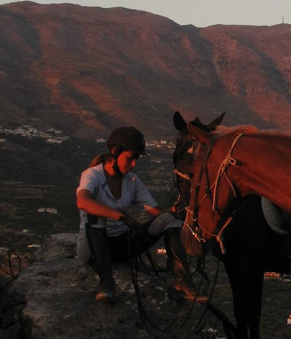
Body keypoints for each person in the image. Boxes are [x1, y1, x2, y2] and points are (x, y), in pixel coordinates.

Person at [76, 126, 204, 304]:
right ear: (115, 152)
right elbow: (83, 202)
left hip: (121, 246)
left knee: (168, 221)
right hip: (93, 248)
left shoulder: (132, 181)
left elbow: (156, 213)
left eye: (136, 158)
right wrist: (120, 216)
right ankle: (107, 285)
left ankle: (182, 282)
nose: (134, 164)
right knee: (95, 216)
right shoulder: (93, 175)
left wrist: (173, 212)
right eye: (131, 158)